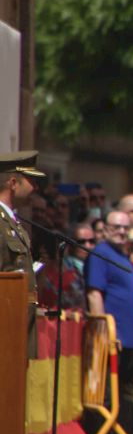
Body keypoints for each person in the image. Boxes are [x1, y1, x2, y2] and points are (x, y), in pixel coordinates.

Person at [86, 209, 133, 434]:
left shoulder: (122, 254)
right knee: (106, 394)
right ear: (106, 228)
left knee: (122, 394)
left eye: (125, 227)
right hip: (111, 337)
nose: (121, 231)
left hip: (129, 338)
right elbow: (94, 293)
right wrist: (103, 332)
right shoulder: (101, 253)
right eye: (116, 227)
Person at [0, 151, 45, 359]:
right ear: (13, 183)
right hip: (6, 322)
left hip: (18, 320)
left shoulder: (12, 222)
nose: (35, 188)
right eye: (31, 181)